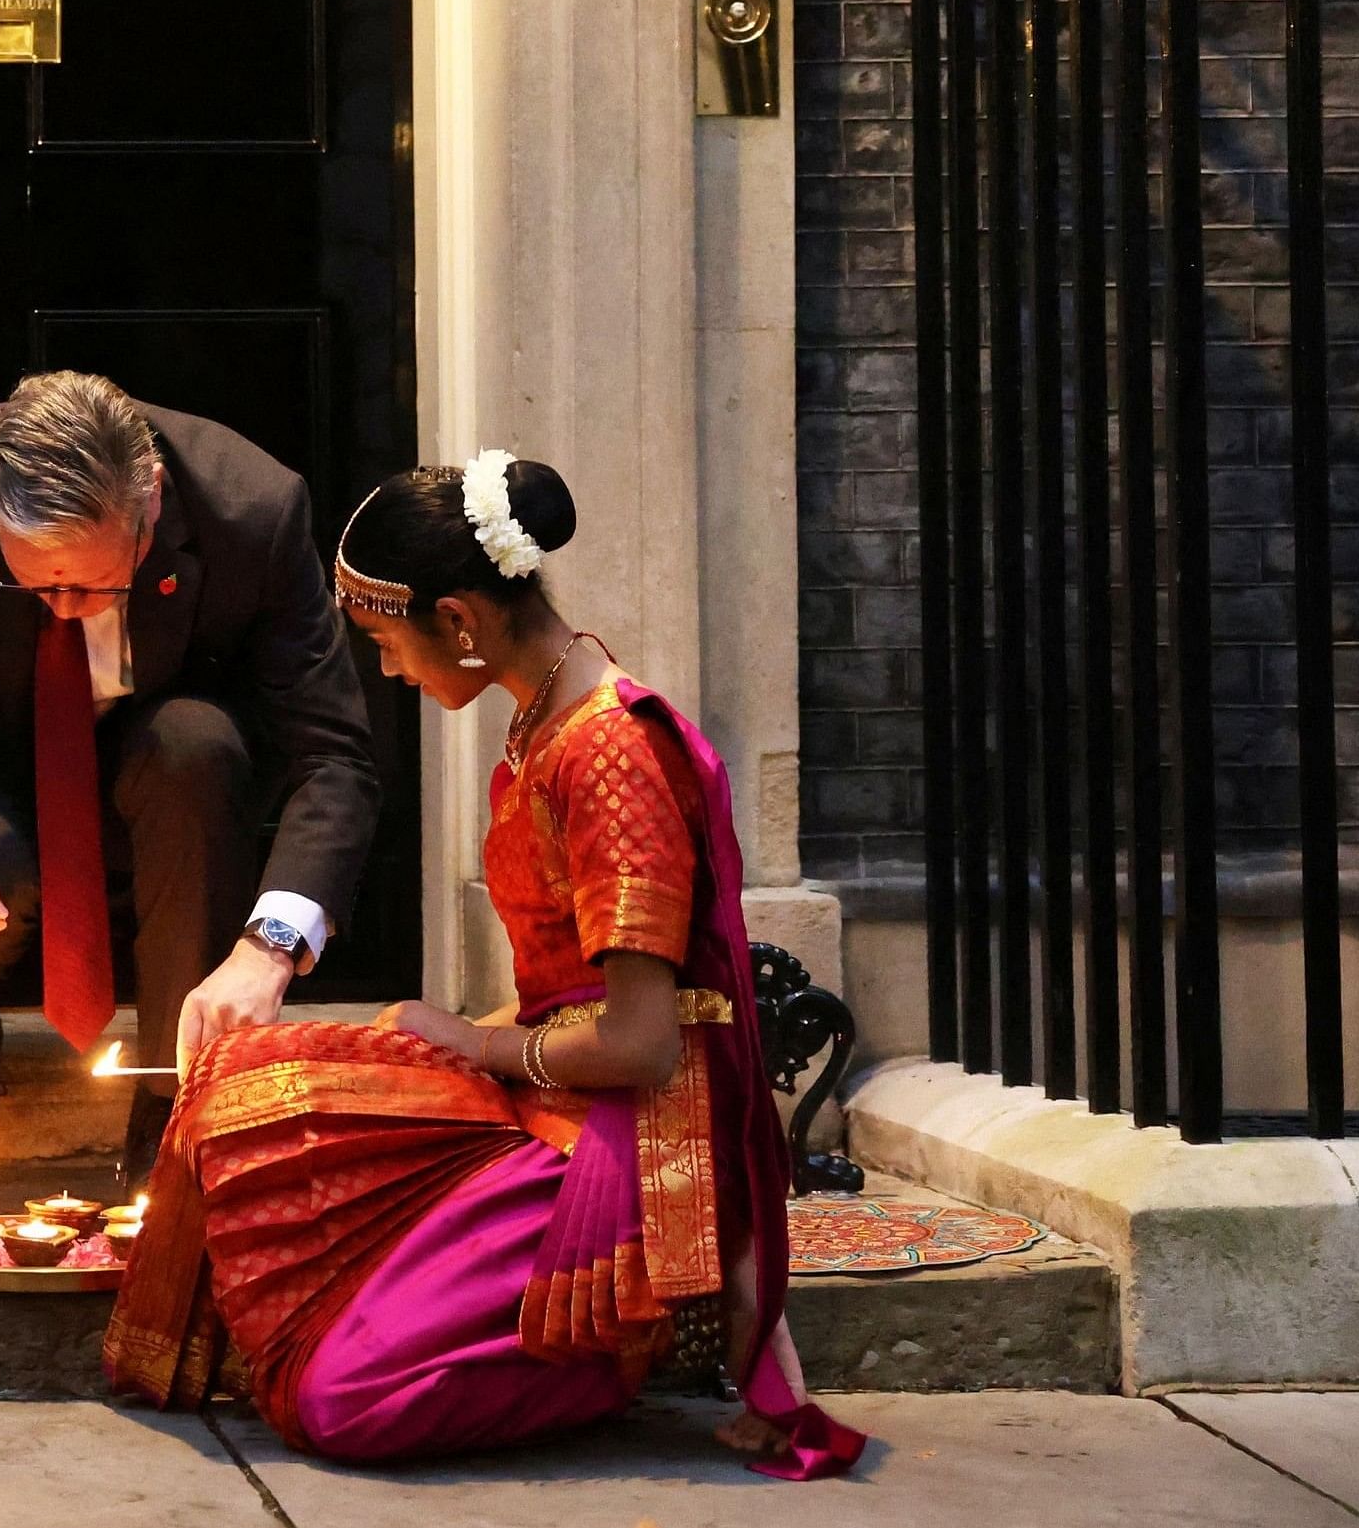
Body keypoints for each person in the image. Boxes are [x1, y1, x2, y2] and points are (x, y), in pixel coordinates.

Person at [102, 454, 863, 1477]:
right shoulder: (541, 718)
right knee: (238, 1082)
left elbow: (640, 1041)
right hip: (548, 1084)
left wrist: (472, 1041)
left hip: (614, 1135)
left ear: (457, 622)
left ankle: (597, 1342)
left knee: (338, 1401)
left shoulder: (607, 758)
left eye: (385, 642)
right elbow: (567, 982)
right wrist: (448, 1045)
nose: (386, 672)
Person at [0, 371, 379, 1175]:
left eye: (90, 581)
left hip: (165, 755)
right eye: (31, 579)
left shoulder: (253, 507)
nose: (60, 606)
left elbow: (336, 753)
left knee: (197, 747)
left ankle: (170, 1103)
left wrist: (272, 945)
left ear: (149, 501)